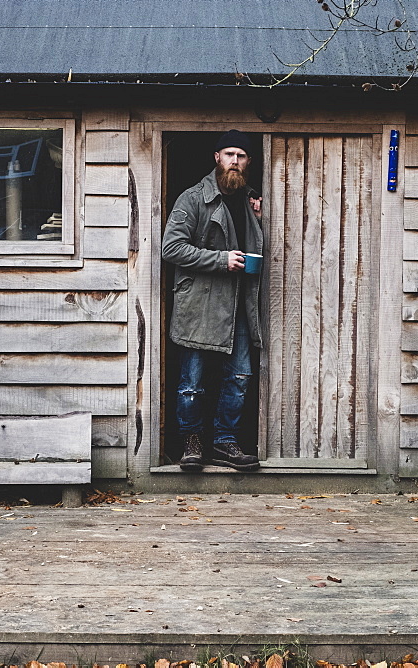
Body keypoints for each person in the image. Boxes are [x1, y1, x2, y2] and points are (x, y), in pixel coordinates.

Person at [161, 130, 263, 472]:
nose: (235, 160)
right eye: (229, 153)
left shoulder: (251, 201)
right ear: (216, 157)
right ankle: (191, 443)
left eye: (242, 155)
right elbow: (171, 248)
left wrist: (262, 219)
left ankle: (224, 442)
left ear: (248, 162)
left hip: (238, 304)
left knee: (240, 378)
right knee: (192, 383)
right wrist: (220, 260)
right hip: (200, 305)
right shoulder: (192, 199)